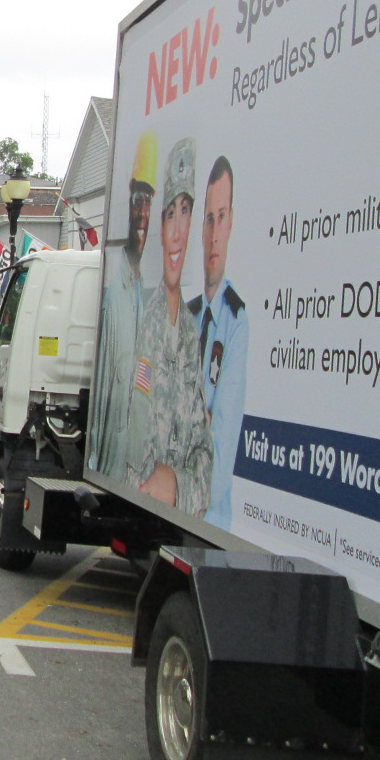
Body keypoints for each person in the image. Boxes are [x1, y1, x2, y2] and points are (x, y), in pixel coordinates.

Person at [130, 137, 213, 515]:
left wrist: (178, 486)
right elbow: (136, 446)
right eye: (170, 214)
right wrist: (162, 481)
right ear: (162, 229)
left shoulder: (192, 330)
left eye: (186, 212)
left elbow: (204, 453)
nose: (177, 231)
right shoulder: (145, 320)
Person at [91, 131, 155, 481]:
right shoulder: (113, 294)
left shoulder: (144, 296)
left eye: (148, 202)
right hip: (110, 469)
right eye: (136, 200)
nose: (142, 212)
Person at [187, 156, 247, 527]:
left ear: (231, 224)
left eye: (221, 217)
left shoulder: (237, 322)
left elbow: (221, 452)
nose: (213, 233)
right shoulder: (188, 318)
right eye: (208, 218)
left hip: (211, 519)